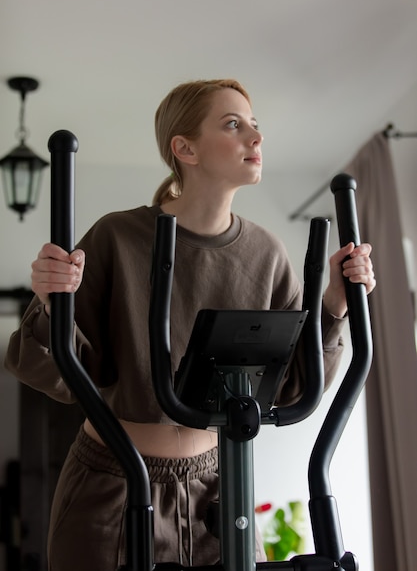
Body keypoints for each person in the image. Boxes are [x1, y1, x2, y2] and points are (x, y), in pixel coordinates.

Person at [4, 79, 376, 571]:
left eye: (255, 125)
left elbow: (289, 390)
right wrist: (51, 301)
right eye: (233, 124)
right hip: (111, 480)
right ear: (185, 149)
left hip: (217, 486)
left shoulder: (266, 254)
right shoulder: (117, 236)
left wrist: (333, 305)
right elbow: (51, 370)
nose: (255, 137)